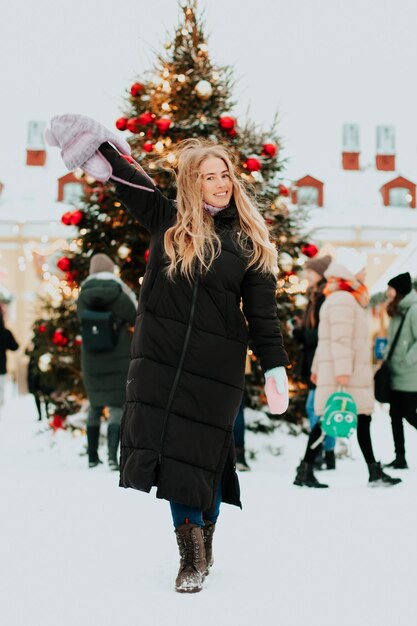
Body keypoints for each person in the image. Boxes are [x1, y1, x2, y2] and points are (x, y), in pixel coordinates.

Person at [45, 114, 289, 593]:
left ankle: (208, 535)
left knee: (209, 458)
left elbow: (263, 316)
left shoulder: (250, 242)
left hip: (216, 371)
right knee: (176, 459)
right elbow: (127, 178)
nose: (219, 184)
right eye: (207, 177)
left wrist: (275, 366)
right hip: (161, 363)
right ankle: (191, 557)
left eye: (224, 175)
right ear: (191, 184)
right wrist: (99, 144)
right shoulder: (169, 221)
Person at [293, 248, 401, 489]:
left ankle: (370, 471)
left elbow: (325, 338)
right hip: (346, 374)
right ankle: (307, 469)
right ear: (351, 272)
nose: (365, 272)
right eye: (361, 268)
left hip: (347, 373)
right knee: (332, 420)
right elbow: (339, 340)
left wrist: (319, 367)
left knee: (354, 419)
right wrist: (341, 371)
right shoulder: (343, 298)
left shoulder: (345, 296)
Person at [76, 253, 137, 470]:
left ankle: (92, 457)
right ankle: (113, 457)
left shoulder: (83, 295)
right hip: (117, 355)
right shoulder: (119, 294)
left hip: (91, 357)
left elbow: (80, 319)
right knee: (116, 406)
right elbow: (135, 316)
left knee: (94, 405)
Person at [293, 254, 336, 470]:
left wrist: (303, 335)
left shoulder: (324, 297)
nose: (307, 275)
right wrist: (301, 328)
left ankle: (319, 452)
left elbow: (322, 331)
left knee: (315, 407)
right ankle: (327, 454)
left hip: (321, 360)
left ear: (320, 274)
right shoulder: (314, 295)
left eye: (311, 271)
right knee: (319, 408)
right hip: (314, 358)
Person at [382, 272, 417, 469]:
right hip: (395, 373)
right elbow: (393, 340)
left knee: (409, 414)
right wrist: (386, 357)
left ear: (399, 291)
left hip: (411, 375)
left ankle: (400, 456)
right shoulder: (397, 310)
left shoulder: (413, 310)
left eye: (390, 289)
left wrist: (406, 360)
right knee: (395, 415)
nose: (388, 293)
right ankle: (400, 457)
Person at [0, 309, 19, 412]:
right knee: (1, 391)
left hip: (2, 367)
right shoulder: (5, 332)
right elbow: (15, 346)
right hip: (1, 367)